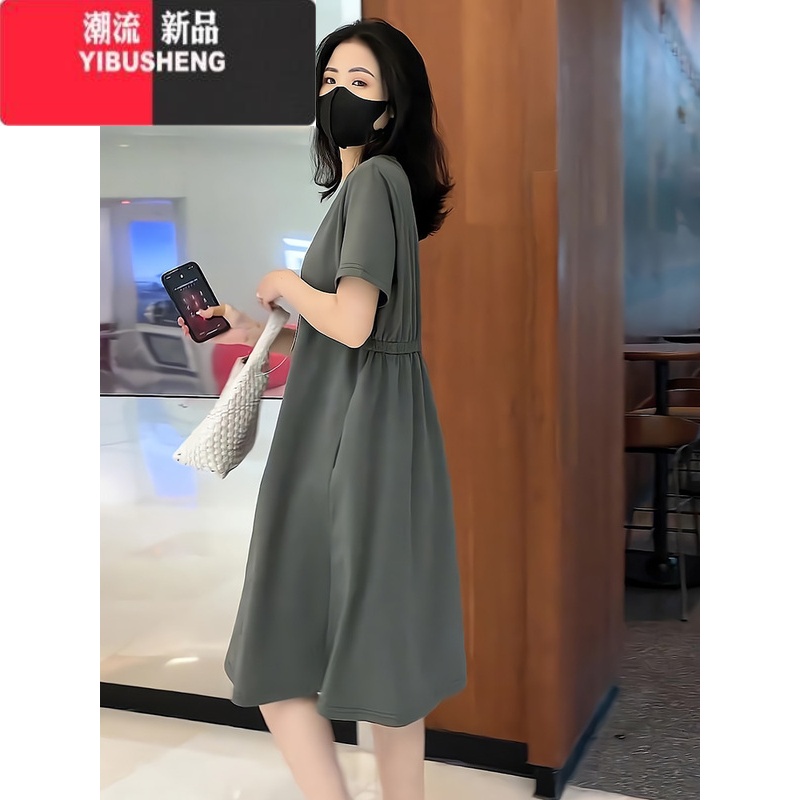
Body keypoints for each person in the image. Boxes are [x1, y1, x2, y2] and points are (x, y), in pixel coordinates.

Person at [178, 19, 466, 800]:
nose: (339, 94)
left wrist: (283, 284)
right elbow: (347, 338)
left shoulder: (371, 184)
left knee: (277, 647)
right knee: (384, 654)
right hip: (380, 434)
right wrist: (251, 330)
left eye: (360, 83)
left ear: (392, 107)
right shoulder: (378, 189)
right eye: (330, 80)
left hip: (343, 444)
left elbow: (353, 323)